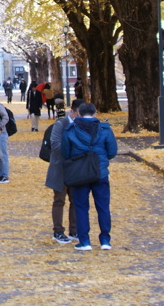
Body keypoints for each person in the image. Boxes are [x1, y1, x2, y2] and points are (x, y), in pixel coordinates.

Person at [62, 101, 118, 251]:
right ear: (95, 113)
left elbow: (65, 153)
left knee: (81, 207)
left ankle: (84, 240)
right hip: (100, 173)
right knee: (103, 206)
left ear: (78, 113)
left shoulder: (71, 130)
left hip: (80, 173)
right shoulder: (104, 129)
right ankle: (105, 240)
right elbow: (112, 151)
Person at [45, 99, 83, 244]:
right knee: (59, 200)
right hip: (60, 168)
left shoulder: (82, 125)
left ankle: (74, 230)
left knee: (75, 200)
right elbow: (55, 144)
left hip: (75, 170)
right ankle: (58, 231)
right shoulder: (60, 124)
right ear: (71, 112)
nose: (79, 117)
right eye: (78, 114)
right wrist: (75, 151)